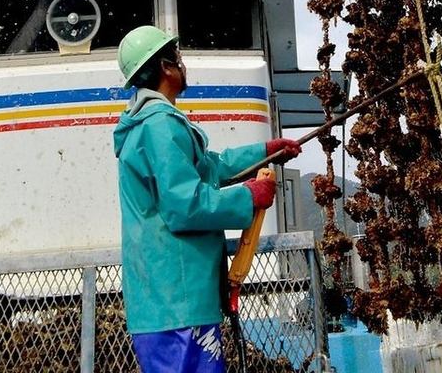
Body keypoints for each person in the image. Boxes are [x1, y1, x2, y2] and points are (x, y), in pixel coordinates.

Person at [113, 25, 302, 373]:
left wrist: (264, 151)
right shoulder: (160, 127)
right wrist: (248, 198)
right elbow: (185, 205)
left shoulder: (150, 124)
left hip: (170, 302)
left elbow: (208, 167)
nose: (184, 65)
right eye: (178, 58)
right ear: (166, 67)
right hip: (178, 301)